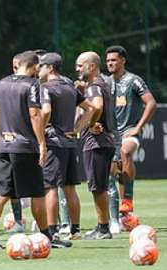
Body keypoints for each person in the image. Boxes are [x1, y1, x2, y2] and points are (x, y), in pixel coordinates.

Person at [0, 51, 49, 250]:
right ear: (34, 66)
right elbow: (35, 114)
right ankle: (46, 237)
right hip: (25, 147)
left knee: (1, 193)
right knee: (36, 193)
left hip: (4, 146)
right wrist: (42, 143)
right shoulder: (31, 84)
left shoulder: (1, 84)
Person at [37, 52, 91, 246]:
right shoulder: (69, 87)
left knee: (49, 186)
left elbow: (46, 111)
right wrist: (76, 129)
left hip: (53, 143)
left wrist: (40, 132)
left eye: (41, 66)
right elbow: (91, 109)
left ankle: (51, 232)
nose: (38, 69)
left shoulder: (45, 88)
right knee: (70, 188)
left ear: (50, 68)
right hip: (69, 144)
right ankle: (75, 230)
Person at [104, 45, 157, 228]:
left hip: (129, 131)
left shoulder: (134, 80)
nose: (110, 63)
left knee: (126, 152)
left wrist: (139, 127)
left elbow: (151, 103)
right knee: (115, 172)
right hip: (111, 135)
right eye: (108, 60)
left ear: (123, 61)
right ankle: (118, 218)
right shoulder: (106, 82)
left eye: (114, 60)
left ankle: (127, 201)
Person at [75, 51, 116, 240]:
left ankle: (103, 229)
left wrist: (90, 124)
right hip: (103, 142)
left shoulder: (94, 86)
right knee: (98, 186)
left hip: (97, 143)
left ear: (91, 66)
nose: (77, 69)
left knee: (98, 187)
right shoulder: (102, 84)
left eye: (80, 65)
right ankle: (102, 226)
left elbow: (97, 105)